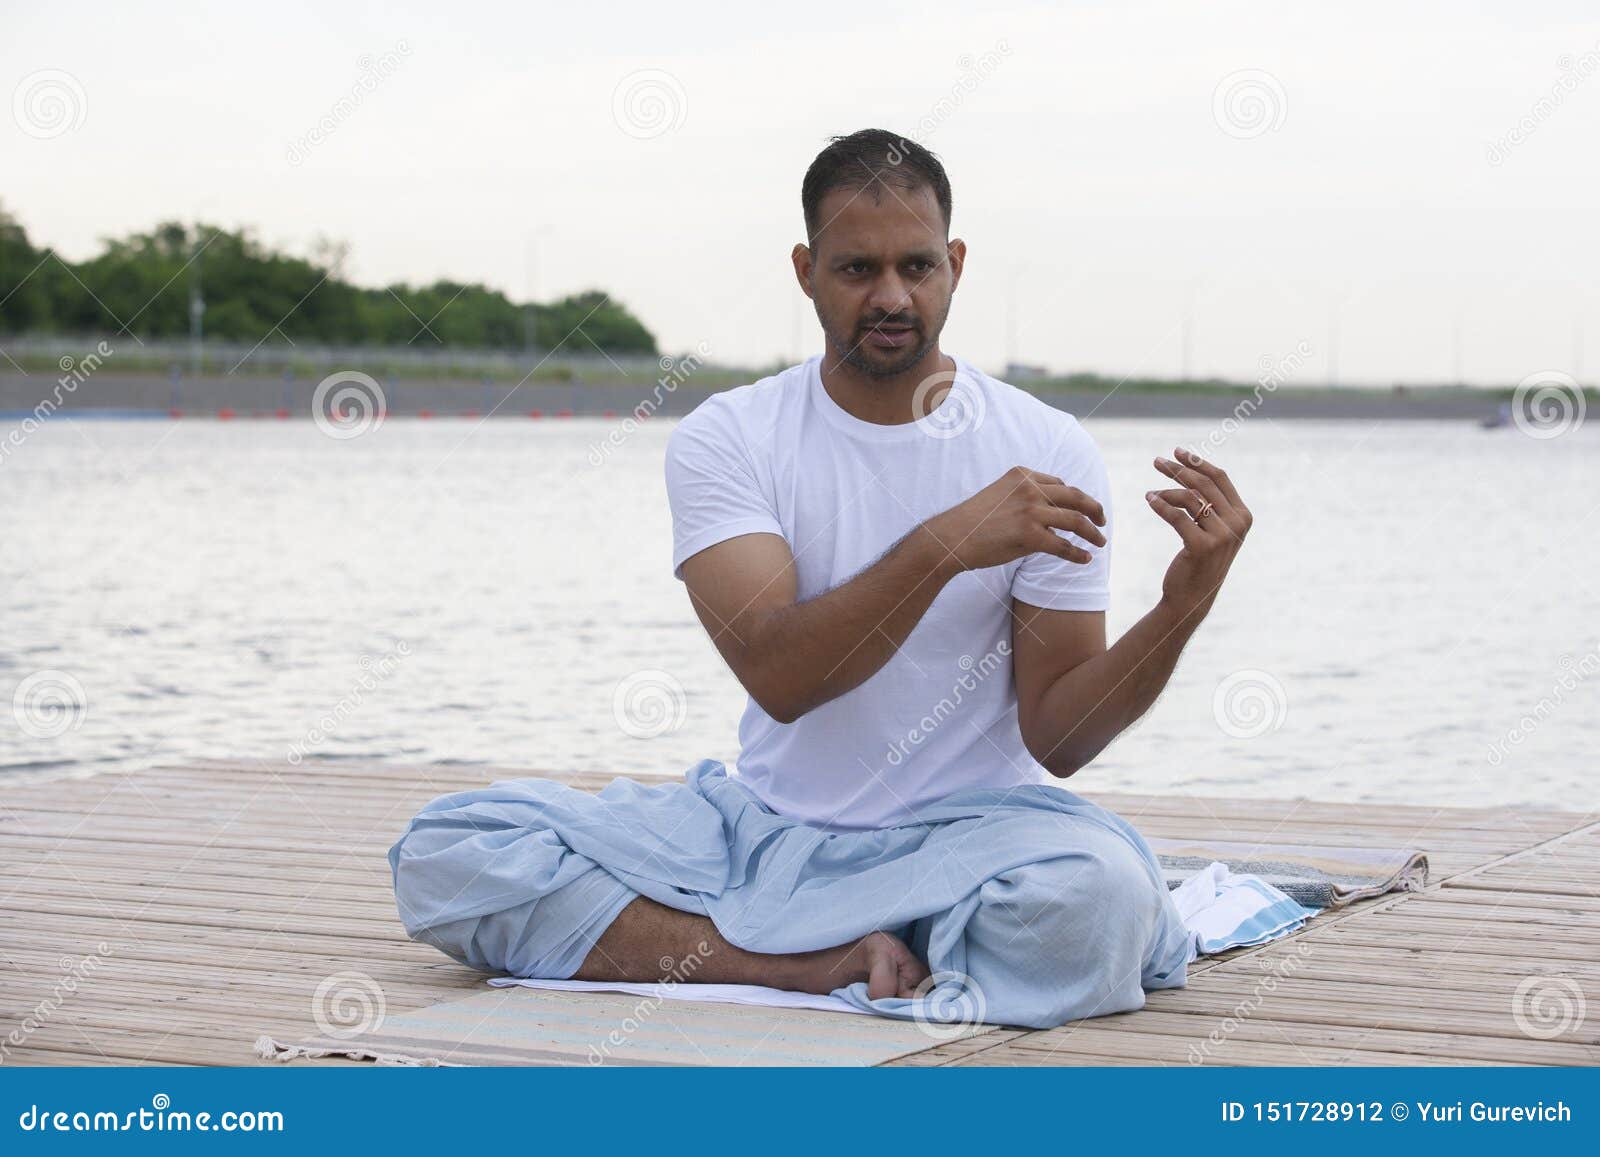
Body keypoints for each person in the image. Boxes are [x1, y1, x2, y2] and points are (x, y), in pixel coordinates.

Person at [390, 128, 1253, 1028]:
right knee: (452, 852)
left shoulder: (1044, 445)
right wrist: (947, 542)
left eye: (918, 266)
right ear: (806, 270)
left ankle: (865, 941)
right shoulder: (732, 437)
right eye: (856, 270)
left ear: (956, 264)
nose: (891, 295)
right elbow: (782, 675)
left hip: (979, 842)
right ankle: (813, 963)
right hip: (765, 835)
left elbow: (1060, 738)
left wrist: (1180, 609)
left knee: (1100, 904)